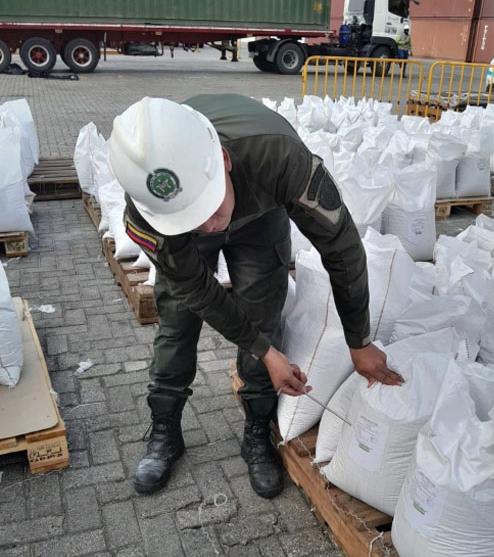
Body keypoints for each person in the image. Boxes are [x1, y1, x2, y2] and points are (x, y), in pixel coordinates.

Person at [107, 95, 402, 498]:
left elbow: (343, 248)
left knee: (263, 312)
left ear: (224, 160)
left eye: (210, 207)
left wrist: (359, 340)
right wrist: (266, 352)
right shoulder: (147, 209)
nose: (210, 226)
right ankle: (165, 429)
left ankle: (257, 429)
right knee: (176, 319)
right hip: (180, 237)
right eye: (193, 217)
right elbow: (196, 289)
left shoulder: (280, 157)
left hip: (261, 218)